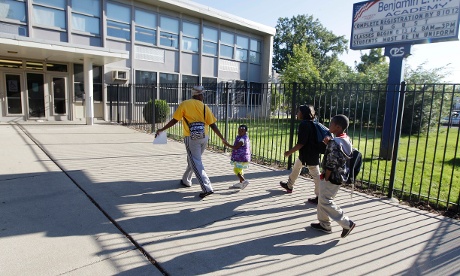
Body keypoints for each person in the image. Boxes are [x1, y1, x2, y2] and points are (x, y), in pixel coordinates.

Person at [155, 85, 228, 199]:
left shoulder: (185, 104)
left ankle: (207, 188)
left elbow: (175, 120)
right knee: (193, 160)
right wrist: (222, 137)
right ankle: (186, 180)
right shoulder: (205, 107)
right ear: (198, 95)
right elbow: (212, 124)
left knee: (195, 161)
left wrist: (162, 129)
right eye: (202, 94)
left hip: (191, 137)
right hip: (204, 137)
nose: (203, 96)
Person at [310, 114, 356, 238]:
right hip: (340, 175)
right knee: (322, 198)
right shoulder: (345, 139)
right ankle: (324, 224)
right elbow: (338, 154)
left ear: (338, 127)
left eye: (331, 123)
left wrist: (326, 177)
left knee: (325, 200)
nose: (329, 125)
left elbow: (331, 162)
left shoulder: (335, 142)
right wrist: (328, 144)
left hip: (332, 177)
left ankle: (347, 223)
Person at [280, 105, 322, 204]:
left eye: (298, 112)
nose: (297, 113)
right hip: (309, 153)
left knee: (316, 175)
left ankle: (320, 197)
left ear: (303, 114)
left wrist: (289, 152)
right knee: (297, 167)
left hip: (309, 154)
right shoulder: (313, 123)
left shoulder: (304, 125)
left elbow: (301, 143)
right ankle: (289, 185)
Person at [224, 125, 251, 189]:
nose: (240, 132)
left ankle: (244, 181)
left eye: (242, 131)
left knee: (236, 170)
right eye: (239, 130)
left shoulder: (242, 139)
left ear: (245, 131)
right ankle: (241, 183)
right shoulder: (245, 137)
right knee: (240, 170)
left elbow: (236, 147)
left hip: (240, 158)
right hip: (244, 157)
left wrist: (227, 144)